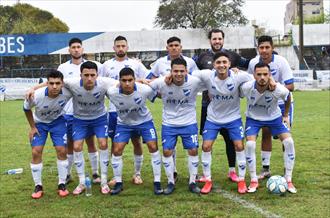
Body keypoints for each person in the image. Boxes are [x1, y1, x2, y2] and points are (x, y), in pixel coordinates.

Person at [192, 52, 252, 194]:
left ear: (230, 64)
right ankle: (207, 179)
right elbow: (189, 75)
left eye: (225, 62)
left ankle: (242, 180)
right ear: (214, 65)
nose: (222, 65)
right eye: (218, 62)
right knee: (206, 146)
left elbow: (256, 78)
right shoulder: (207, 75)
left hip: (233, 118)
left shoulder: (239, 76)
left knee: (239, 145)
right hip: (213, 119)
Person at [146, 36, 199, 182]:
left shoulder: (190, 62)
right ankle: (172, 173)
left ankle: (193, 179)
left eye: (177, 45)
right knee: (169, 149)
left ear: (181, 47)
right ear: (167, 47)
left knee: (193, 149)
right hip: (169, 114)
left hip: (188, 114)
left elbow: (199, 79)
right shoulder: (160, 63)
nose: (174, 48)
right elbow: (149, 81)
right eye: (171, 45)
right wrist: (160, 94)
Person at [149, 58, 203, 195]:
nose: (179, 74)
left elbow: (214, 80)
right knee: (167, 151)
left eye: (181, 71)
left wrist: (233, 71)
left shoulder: (195, 81)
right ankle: (170, 182)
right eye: (175, 71)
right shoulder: (162, 82)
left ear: (187, 71)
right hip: (169, 123)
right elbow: (146, 83)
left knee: (193, 150)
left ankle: (192, 182)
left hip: (189, 123)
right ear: (170, 71)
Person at [241, 62, 297, 194]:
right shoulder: (247, 87)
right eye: (259, 74)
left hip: (274, 118)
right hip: (253, 118)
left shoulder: (278, 88)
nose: (262, 77)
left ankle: (288, 179)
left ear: (270, 75)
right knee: (249, 144)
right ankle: (254, 179)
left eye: (265, 74)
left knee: (289, 142)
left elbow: (288, 97)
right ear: (253, 75)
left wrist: (286, 115)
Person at [106, 67, 162, 195]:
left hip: (144, 122)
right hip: (124, 124)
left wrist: (146, 81)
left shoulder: (145, 90)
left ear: (134, 80)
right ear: (119, 81)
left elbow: (158, 91)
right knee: (117, 149)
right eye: (124, 80)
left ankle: (157, 182)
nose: (127, 83)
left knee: (153, 146)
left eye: (130, 80)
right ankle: (118, 183)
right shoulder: (111, 92)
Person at [101, 35, 148, 186]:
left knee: (136, 142)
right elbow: (101, 84)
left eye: (123, 46)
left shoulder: (136, 65)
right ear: (113, 48)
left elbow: (148, 80)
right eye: (118, 46)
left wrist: (139, 80)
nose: (120, 48)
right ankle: (116, 176)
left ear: (127, 47)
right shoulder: (106, 65)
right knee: (115, 144)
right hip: (114, 111)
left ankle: (137, 173)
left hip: (134, 110)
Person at [248, 35, 294, 180]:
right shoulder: (253, 63)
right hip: (264, 104)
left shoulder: (281, 62)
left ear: (272, 48)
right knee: (266, 133)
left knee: (284, 137)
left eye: (267, 47)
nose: (264, 50)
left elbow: (291, 86)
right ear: (258, 49)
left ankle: (287, 169)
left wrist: (274, 86)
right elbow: (251, 82)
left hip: (281, 103)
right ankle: (266, 168)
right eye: (261, 48)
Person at [57, 38, 102, 184]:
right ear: (69, 50)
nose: (76, 49)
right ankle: (68, 174)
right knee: (71, 144)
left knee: (90, 142)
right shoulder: (62, 68)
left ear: (82, 49)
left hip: (89, 112)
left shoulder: (94, 66)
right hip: (69, 112)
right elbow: (56, 84)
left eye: (78, 47)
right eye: (73, 47)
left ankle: (95, 173)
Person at [23, 70, 72, 199]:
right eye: (51, 83)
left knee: (62, 150)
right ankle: (38, 185)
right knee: (36, 151)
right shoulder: (36, 95)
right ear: (47, 83)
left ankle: (62, 183)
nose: (54, 86)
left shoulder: (68, 92)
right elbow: (26, 109)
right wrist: (32, 127)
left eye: (57, 83)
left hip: (58, 122)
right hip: (40, 124)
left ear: (62, 84)